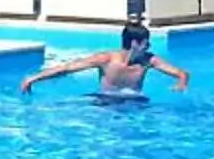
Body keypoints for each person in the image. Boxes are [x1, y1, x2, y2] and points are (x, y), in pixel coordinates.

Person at [22, 17, 187, 99]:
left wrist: (180, 84)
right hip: (104, 102)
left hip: (136, 103)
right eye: (146, 43)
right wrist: (33, 78)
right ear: (135, 43)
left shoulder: (149, 60)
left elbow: (181, 73)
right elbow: (67, 68)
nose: (149, 47)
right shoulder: (106, 59)